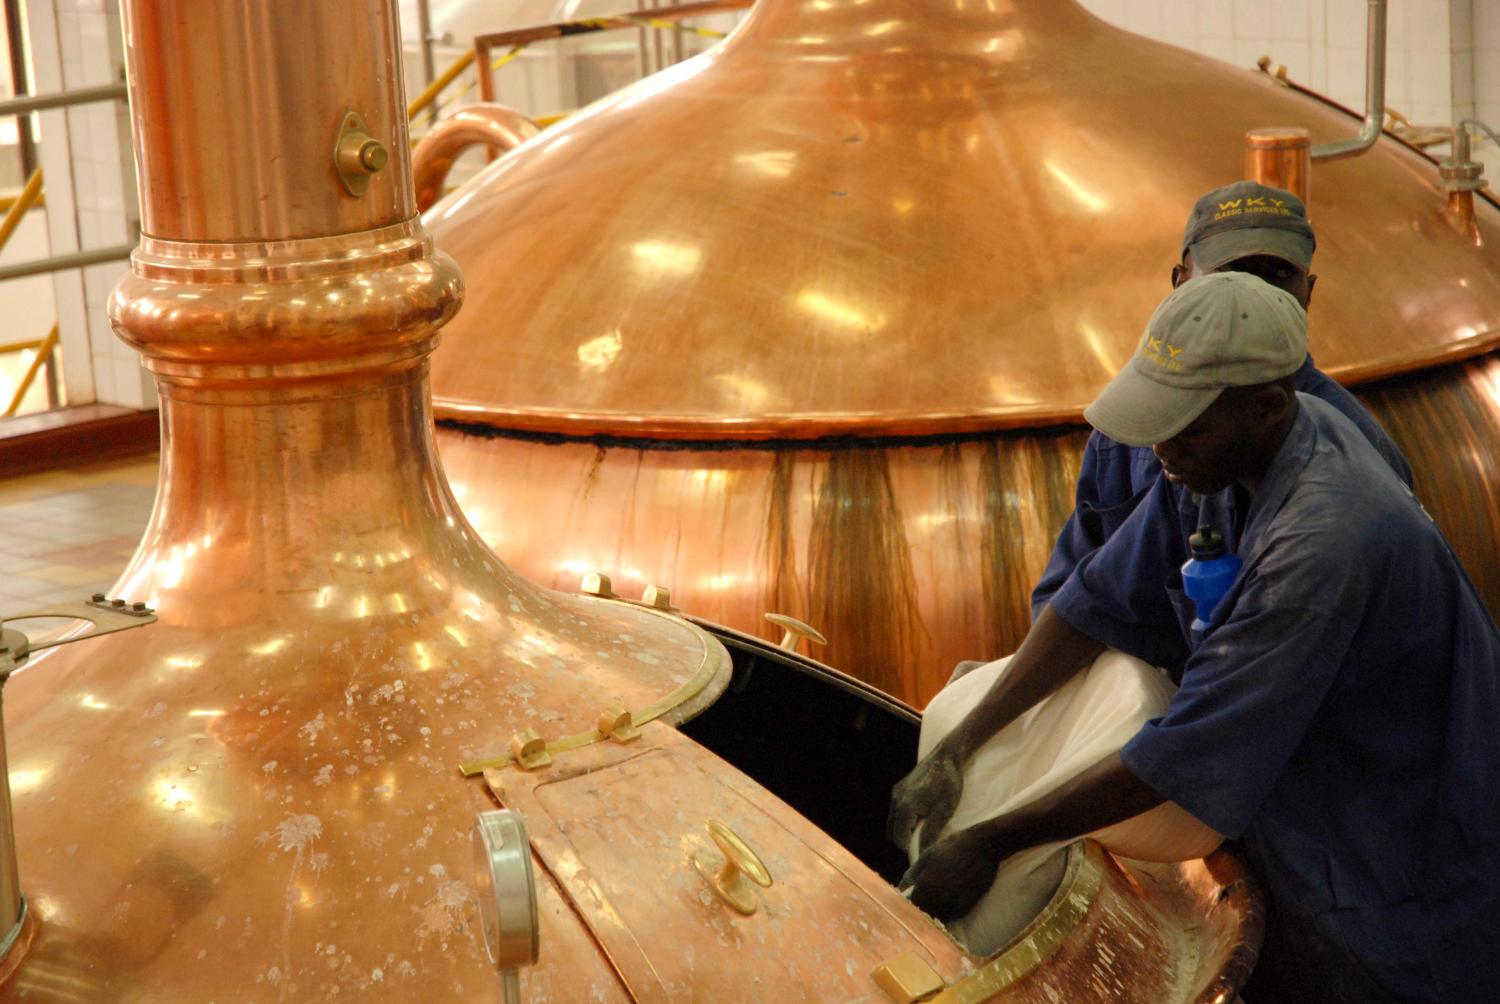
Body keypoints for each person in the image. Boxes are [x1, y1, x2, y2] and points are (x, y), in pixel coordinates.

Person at [891, 273, 1500, 1003]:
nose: (1160, 450)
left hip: (1395, 855)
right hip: (1314, 826)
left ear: (1269, 407)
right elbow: (1097, 598)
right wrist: (962, 745)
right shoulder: (1218, 457)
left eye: (1183, 427)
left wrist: (993, 841)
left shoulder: (1324, 540)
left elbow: (1188, 753)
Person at [1029, 182, 1412, 676]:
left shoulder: (1341, 471)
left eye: (1278, 275)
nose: (1251, 295)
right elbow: (1080, 599)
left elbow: (1259, 692)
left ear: (1308, 293)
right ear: (1180, 280)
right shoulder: (1133, 434)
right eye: (1231, 274)